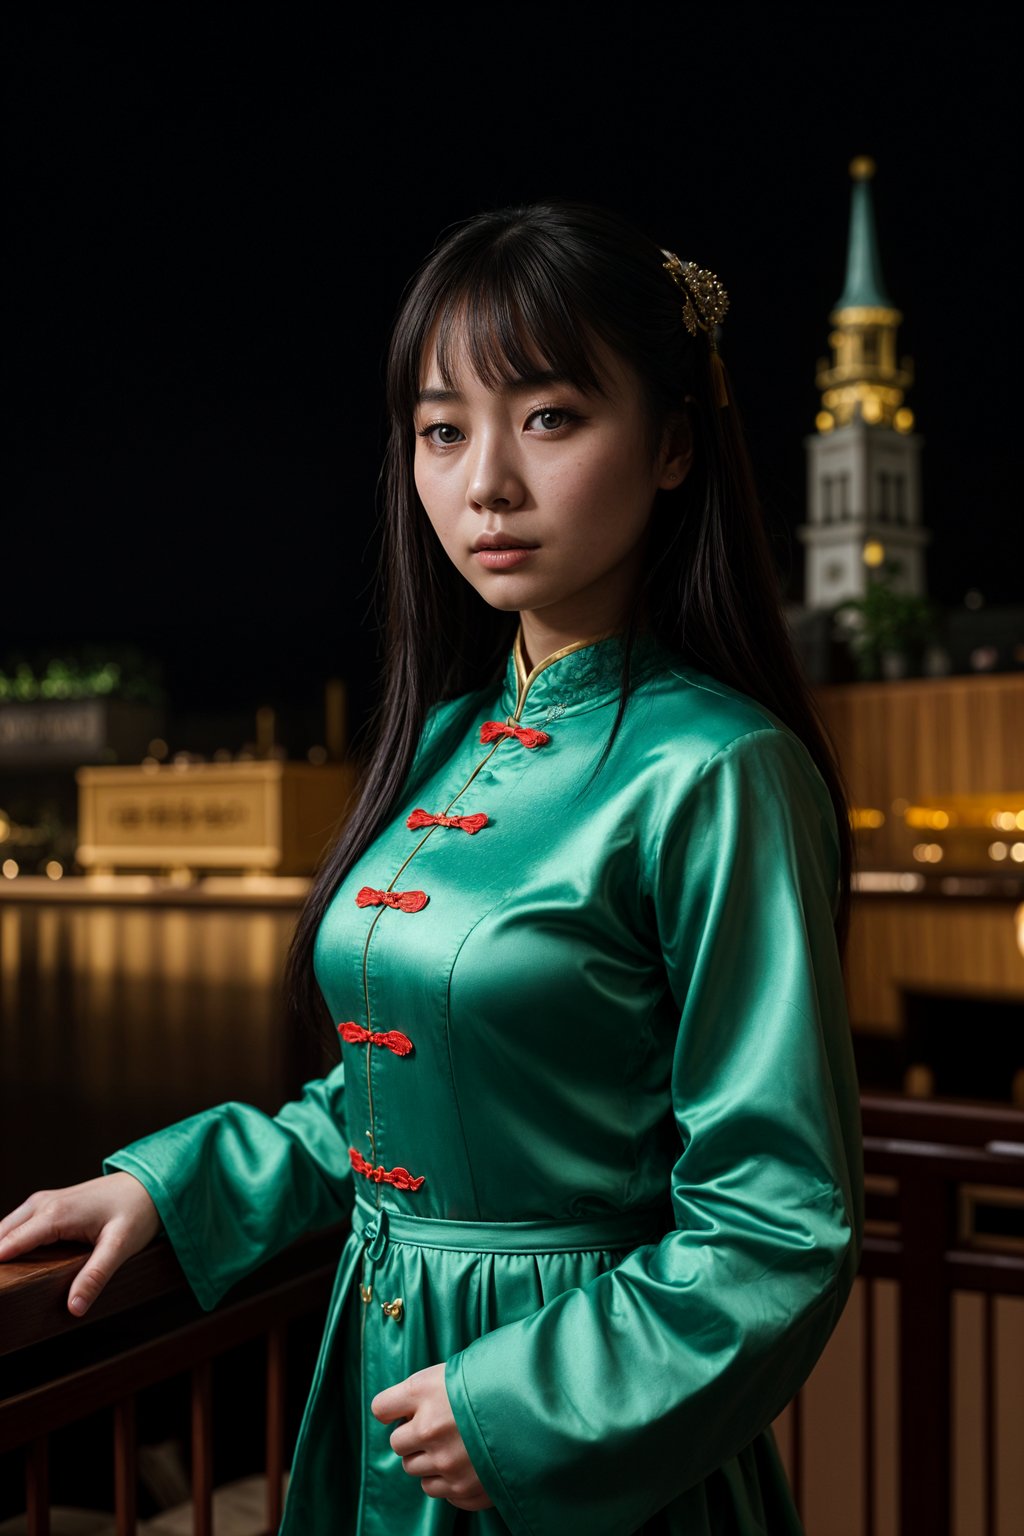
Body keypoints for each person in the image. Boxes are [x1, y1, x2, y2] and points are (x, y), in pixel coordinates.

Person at [0, 200, 864, 1535]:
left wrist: (539, 1400)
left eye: (552, 417)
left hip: (568, 1419)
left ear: (676, 443)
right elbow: (395, 1102)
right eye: (443, 429)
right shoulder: (453, 737)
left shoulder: (718, 771)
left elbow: (775, 1223)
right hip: (385, 1372)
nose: (486, 485)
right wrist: (175, 1185)